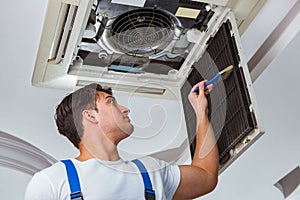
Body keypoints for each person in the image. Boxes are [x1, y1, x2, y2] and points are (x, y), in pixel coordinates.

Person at [24, 81, 219, 200]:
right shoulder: (52, 181)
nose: (126, 109)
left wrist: (201, 112)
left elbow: (206, 176)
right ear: (91, 116)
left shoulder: (151, 171)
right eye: (111, 102)